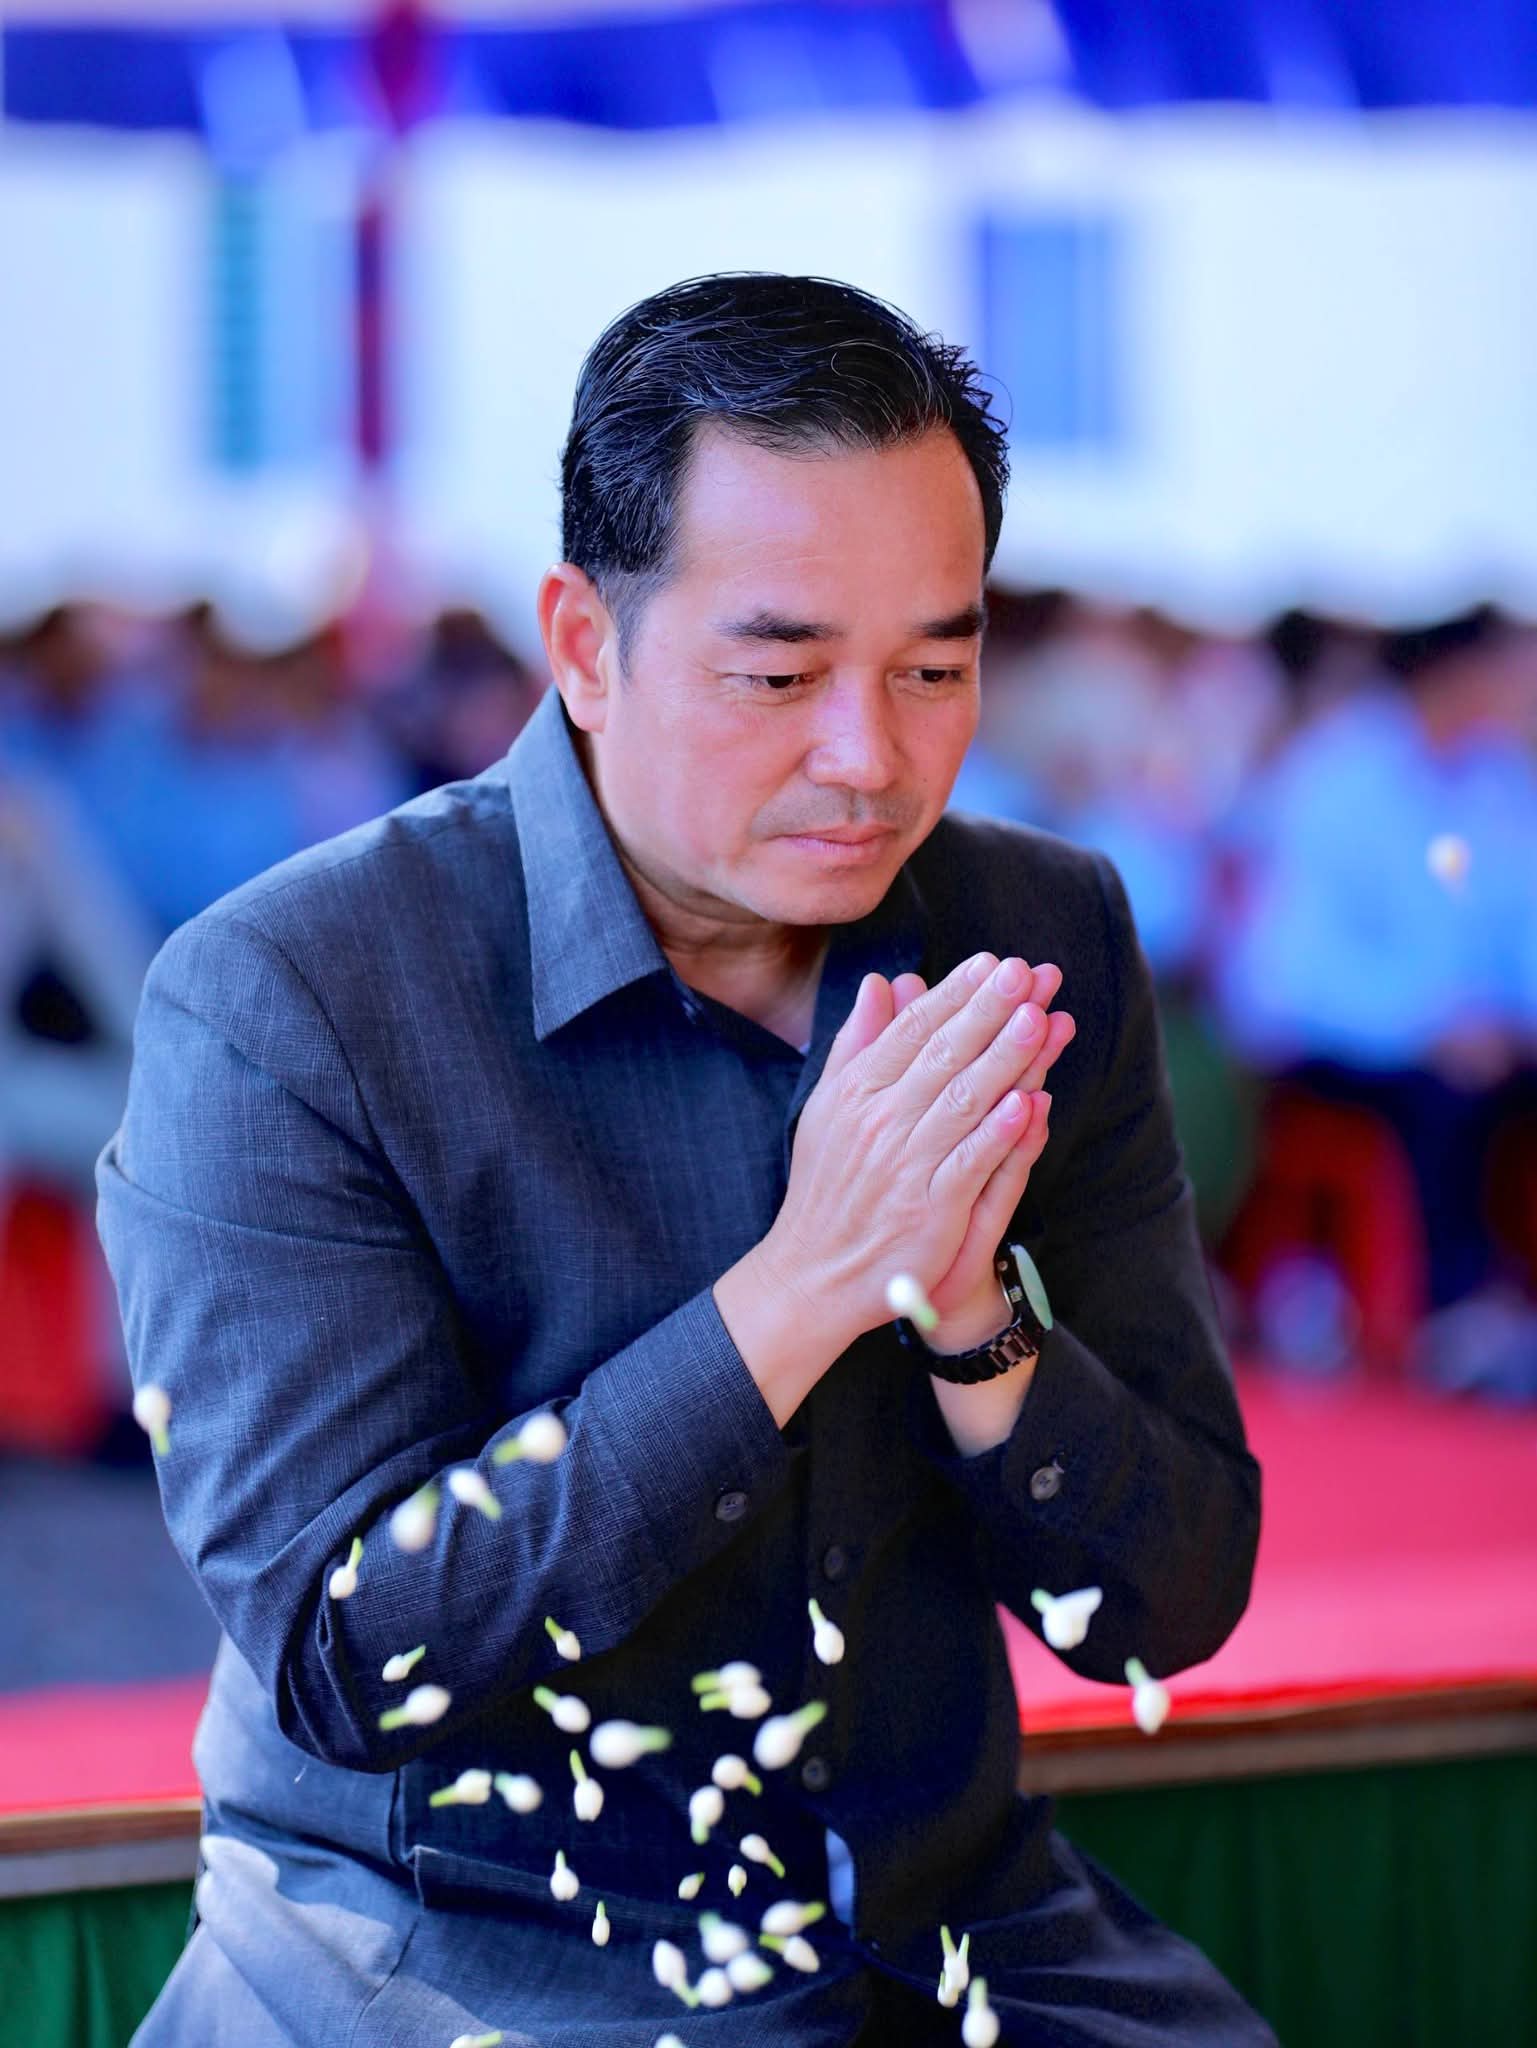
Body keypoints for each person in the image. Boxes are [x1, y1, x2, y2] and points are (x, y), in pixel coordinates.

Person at [98, 274, 1271, 2046]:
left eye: (934, 668)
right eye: (777, 674)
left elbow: (1163, 1610)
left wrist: (974, 1327)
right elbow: (350, 1656)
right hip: (468, 1952)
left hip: (942, 1930)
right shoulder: (293, 999)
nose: (869, 758)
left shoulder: (1031, 939)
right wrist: (802, 1291)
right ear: (584, 645)